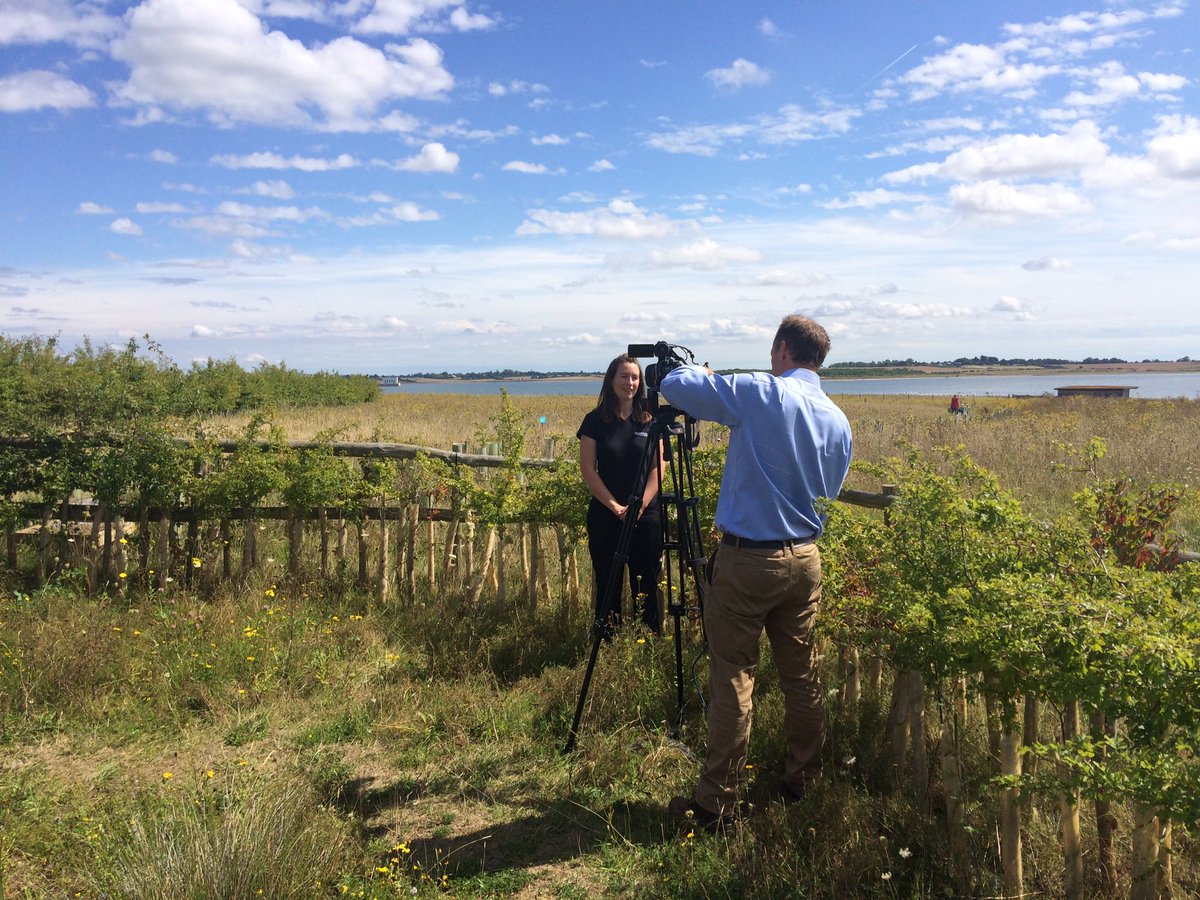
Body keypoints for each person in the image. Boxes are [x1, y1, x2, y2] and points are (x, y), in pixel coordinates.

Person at [659, 315, 852, 831]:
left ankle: (717, 802)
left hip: (749, 559)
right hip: (805, 558)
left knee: (735, 675)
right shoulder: (837, 419)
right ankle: (802, 779)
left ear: (782, 349)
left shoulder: (762, 392)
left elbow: (676, 387)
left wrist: (697, 368)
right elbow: (829, 491)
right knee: (801, 674)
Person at [577, 353, 665, 635]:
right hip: (606, 514)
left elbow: (657, 470)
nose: (630, 382)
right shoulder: (594, 421)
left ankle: (648, 640)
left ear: (641, 383)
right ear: (611, 380)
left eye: (635, 377)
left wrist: (640, 506)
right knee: (608, 581)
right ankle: (607, 641)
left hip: (645, 515)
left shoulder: (651, 421)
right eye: (624, 376)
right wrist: (615, 506)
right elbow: (589, 470)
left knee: (647, 581)